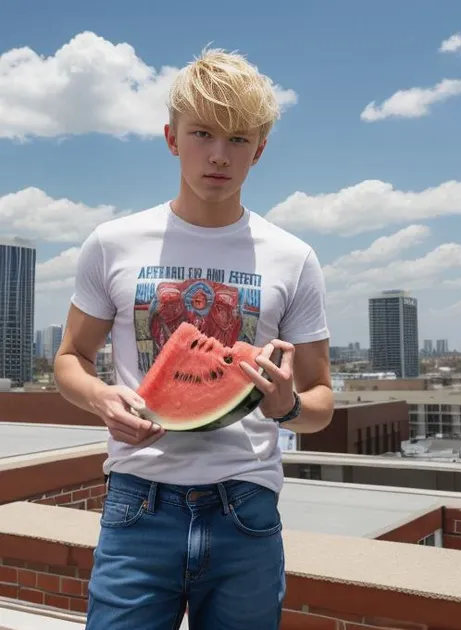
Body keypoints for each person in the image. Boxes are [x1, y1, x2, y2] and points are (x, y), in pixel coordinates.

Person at [54, 47, 334, 630]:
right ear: (170, 137)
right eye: (202, 132)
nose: (218, 155)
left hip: (247, 507)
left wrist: (285, 407)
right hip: (137, 501)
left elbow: (321, 403)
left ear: (259, 149)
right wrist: (102, 398)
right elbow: (71, 360)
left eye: (237, 140)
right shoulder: (112, 242)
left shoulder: (295, 258)